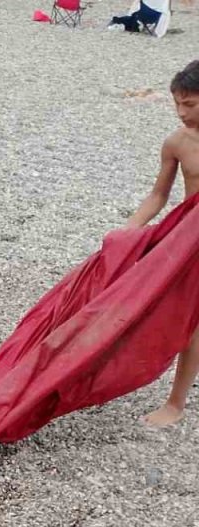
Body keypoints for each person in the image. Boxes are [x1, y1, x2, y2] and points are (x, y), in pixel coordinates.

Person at [125, 61, 199, 427]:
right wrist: (129, 230)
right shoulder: (177, 143)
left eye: (191, 104)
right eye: (177, 104)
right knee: (191, 322)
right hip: (190, 243)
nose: (182, 112)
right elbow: (158, 195)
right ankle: (176, 403)